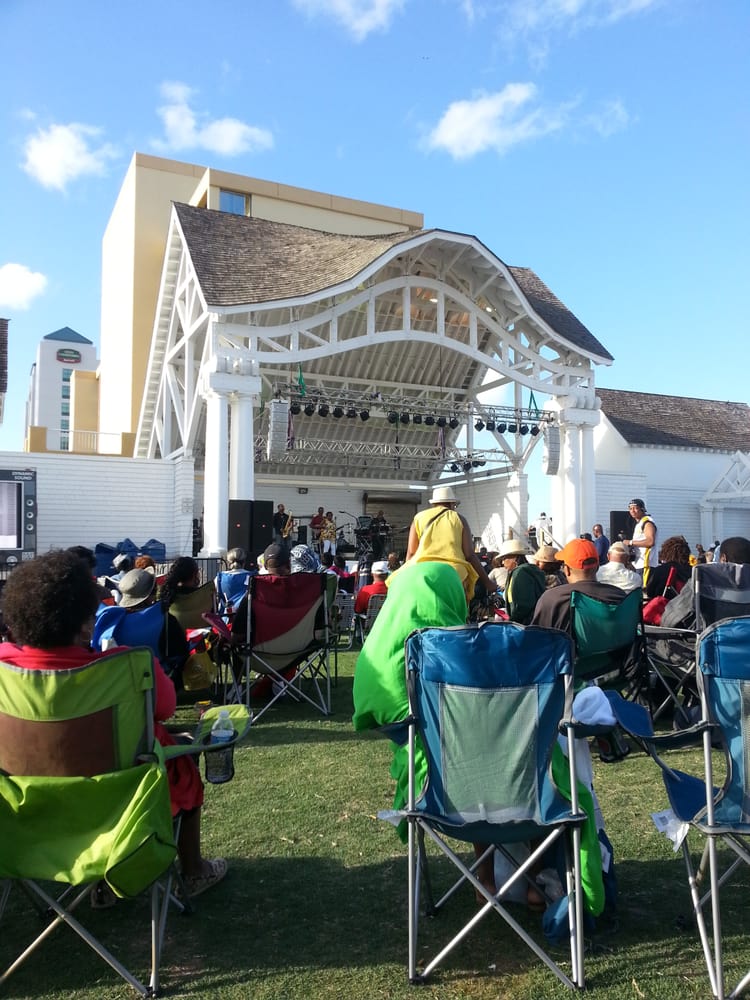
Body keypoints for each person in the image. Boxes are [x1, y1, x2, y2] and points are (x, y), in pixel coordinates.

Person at [0, 550, 226, 900]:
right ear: (86, 623)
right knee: (183, 765)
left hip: (23, 818)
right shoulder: (128, 667)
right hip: (121, 810)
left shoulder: (4, 671)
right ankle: (193, 871)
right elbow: (164, 709)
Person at [401, 485, 494, 603]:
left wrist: (406, 575)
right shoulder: (459, 519)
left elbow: (411, 552)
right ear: (452, 504)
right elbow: (469, 555)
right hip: (454, 571)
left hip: (422, 570)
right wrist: (488, 582)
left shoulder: (418, 518)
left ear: (434, 504)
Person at [531, 538, 627, 632]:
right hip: (618, 647)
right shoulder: (620, 596)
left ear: (566, 570)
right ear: (597, 567)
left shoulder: (551, 599)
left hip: (568, 648)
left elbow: (538, 639)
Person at [498, 538, 546, 624]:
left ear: (514, 558)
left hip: (524, 623)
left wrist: (513, 620)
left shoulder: (520, 573)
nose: (502, 562)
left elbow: (522, 605)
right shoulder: (530, 570)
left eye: (504, 558)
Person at [645, 535, 692, 600]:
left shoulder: (660, 570)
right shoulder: (694, 572)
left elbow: (650, 592)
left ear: (666, 552)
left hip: (664, 606)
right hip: (690, 606)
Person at [622, 499, 658, 583]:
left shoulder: (647, 522)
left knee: (644, 592)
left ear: (642, 509)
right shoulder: (639, 523)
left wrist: (630, 542)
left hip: (646, 564)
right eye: (630, 508)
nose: (632, 511)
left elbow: (650, 541)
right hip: (639, 563)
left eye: (635, 508)